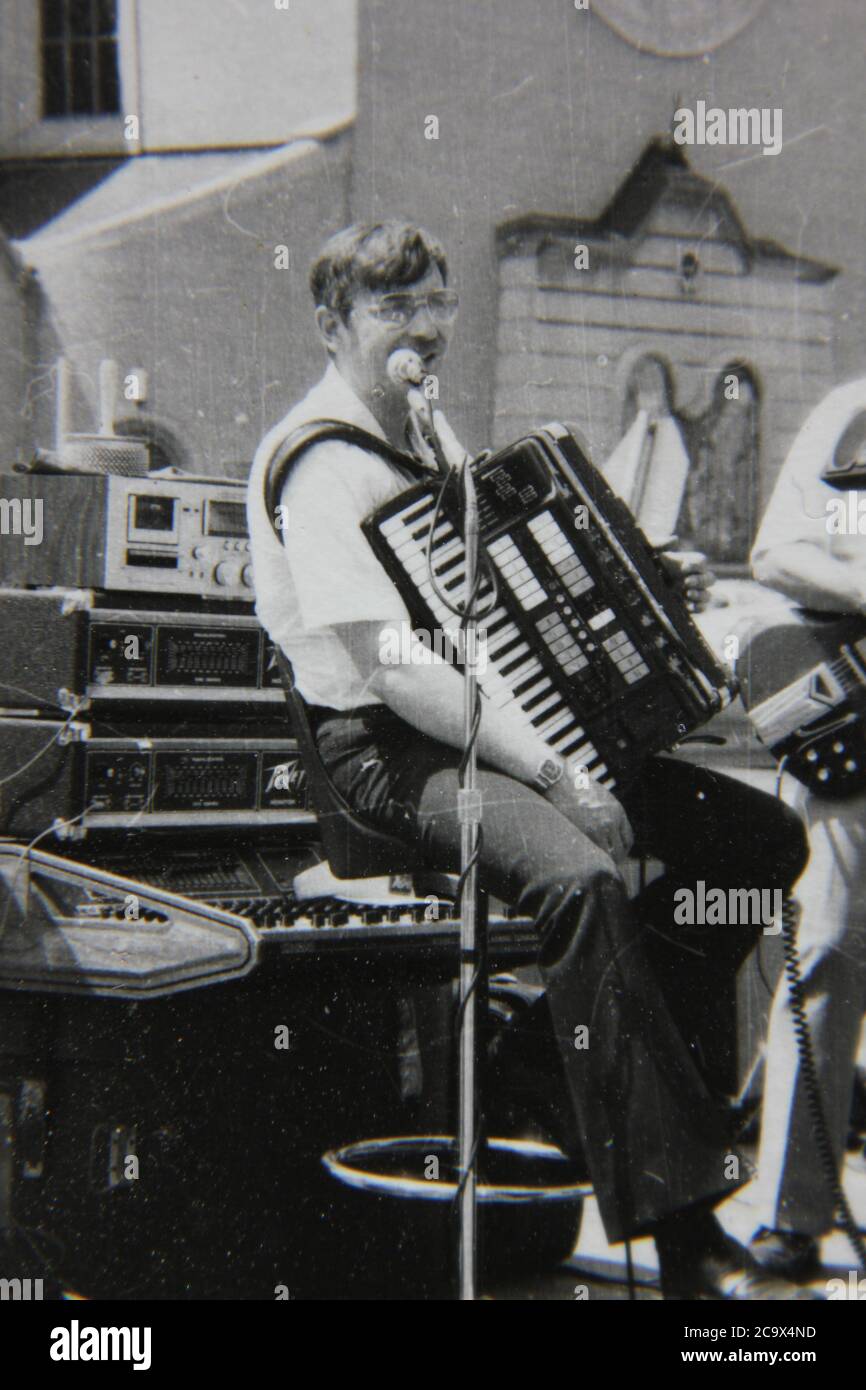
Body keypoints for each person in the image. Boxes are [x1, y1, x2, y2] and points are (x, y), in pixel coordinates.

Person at [247, 219, 813, 1299]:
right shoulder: (320, 466)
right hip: (389, 757)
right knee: (582, 875)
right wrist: (559, 774)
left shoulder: (424, 431)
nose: (423, 330)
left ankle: (533, 1066)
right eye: (392, 310)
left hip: (494, 726)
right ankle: (681, 1223)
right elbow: (401, 672)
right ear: (332, 325)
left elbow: (495, 596)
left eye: (435, 304)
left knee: (753, 840)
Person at [748, 380, 866, 1281]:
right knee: (824, 949)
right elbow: (779, 552)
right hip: (853, 735)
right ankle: (791, 1218)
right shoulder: (851, 412)